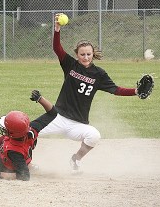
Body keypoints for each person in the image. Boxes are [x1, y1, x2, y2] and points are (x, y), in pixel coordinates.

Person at [33, 13, 139, 172]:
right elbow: (57, 48)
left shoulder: (99, 74)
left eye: (88, 54)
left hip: (78, 124)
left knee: (94, 136)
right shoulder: (70, 65)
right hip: (58, 117)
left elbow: (116, 90)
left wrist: (136, 91)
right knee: (28, 131)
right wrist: (57, 29)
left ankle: (76, 159)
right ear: (77, 55)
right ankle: (15, 156)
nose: (86, 57)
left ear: (93, 54)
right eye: (82, 54)